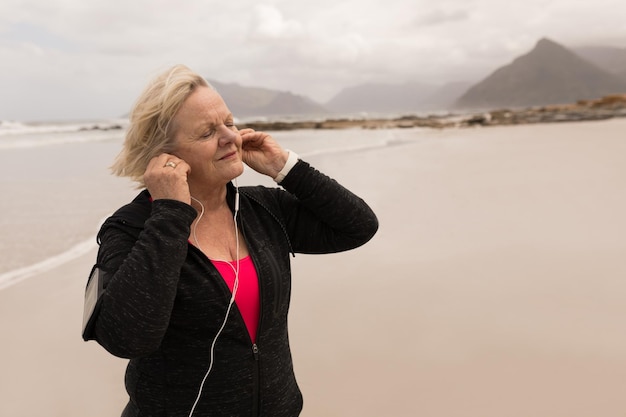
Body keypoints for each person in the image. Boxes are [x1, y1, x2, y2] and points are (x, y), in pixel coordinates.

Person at [83, 64, 378, 417]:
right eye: (208, 131)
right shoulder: (132, 229)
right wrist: (170, 214)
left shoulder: (261, 209)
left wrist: (286, 167)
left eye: (229, 122)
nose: (230, 137)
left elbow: (358, 226)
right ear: (165, 156)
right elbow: (126, 337)